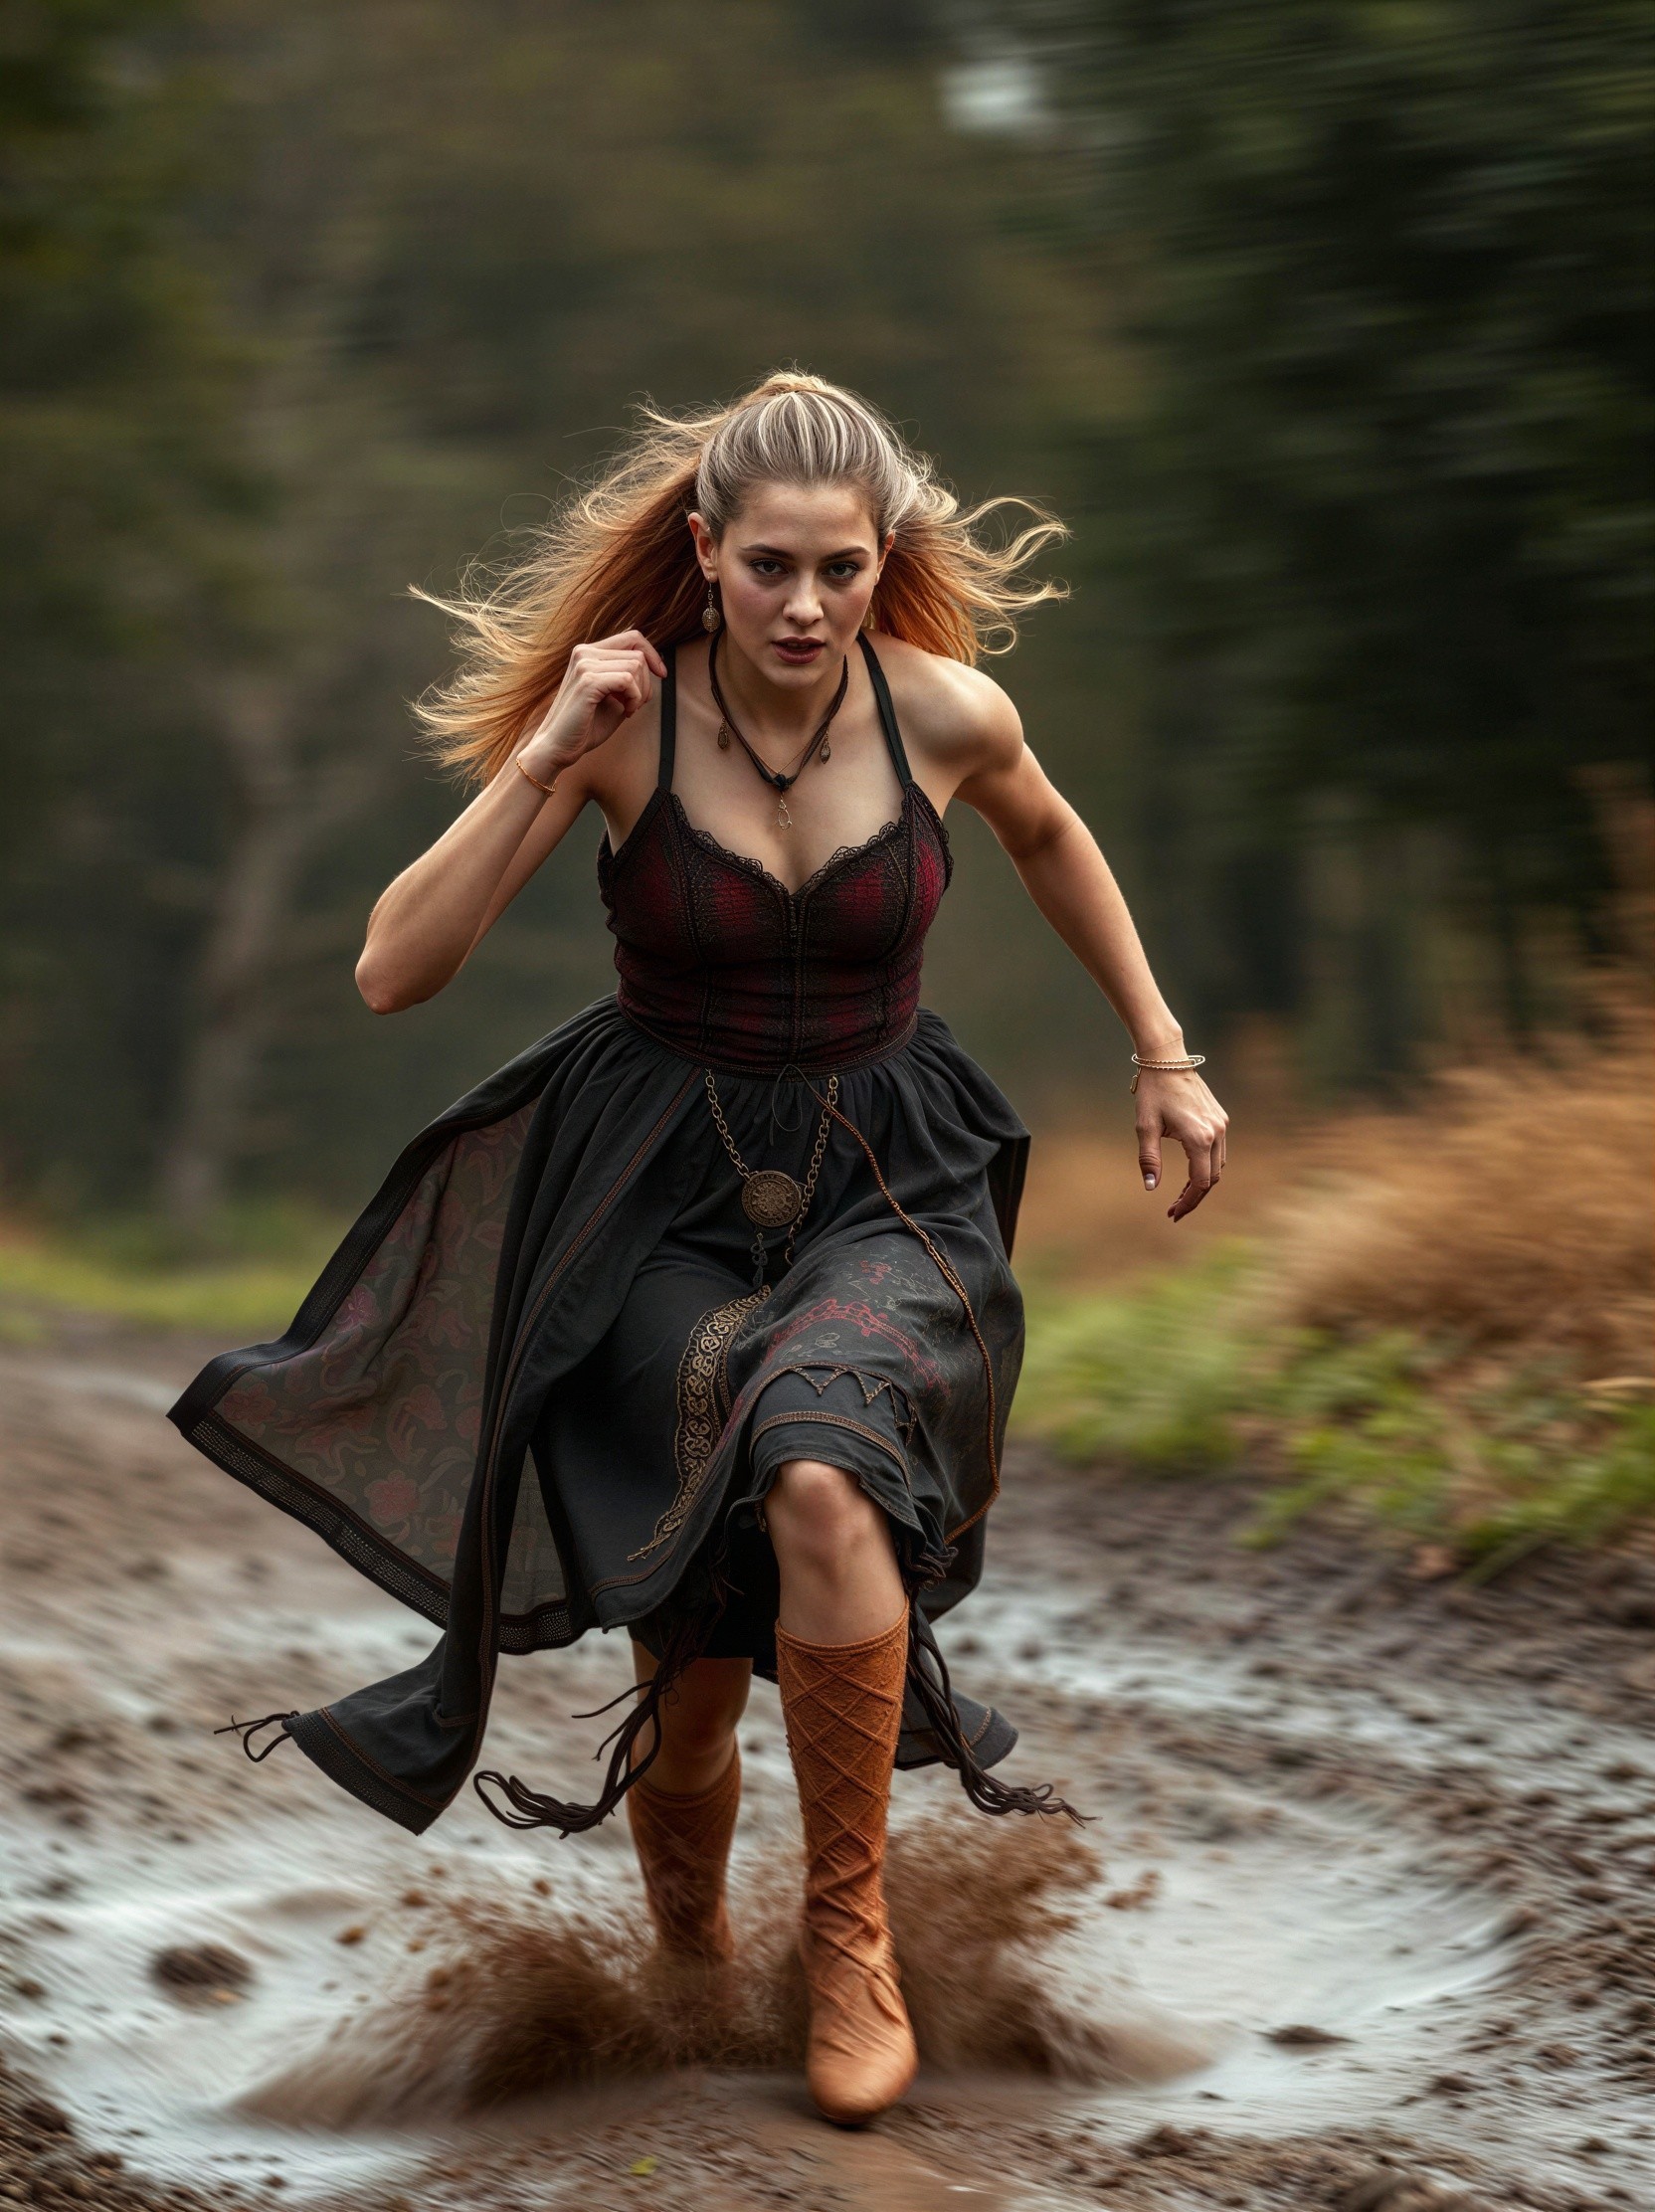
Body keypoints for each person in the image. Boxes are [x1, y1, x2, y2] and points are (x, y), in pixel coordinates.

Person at [169, 372, 1227, 2127]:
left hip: (894, 1186)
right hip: (658, 1193)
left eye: (839, 570)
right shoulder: (624, 732)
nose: (806, 607)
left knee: (821, 1472)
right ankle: (683, 1953)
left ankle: (848, 1944)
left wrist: (1164, 1050)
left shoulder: (949, 714)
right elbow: (389, 971)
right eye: (768, 570)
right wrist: (543, 755)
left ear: (883, 561)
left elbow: (1050, 837)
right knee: (697, 1637)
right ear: (702, 557)